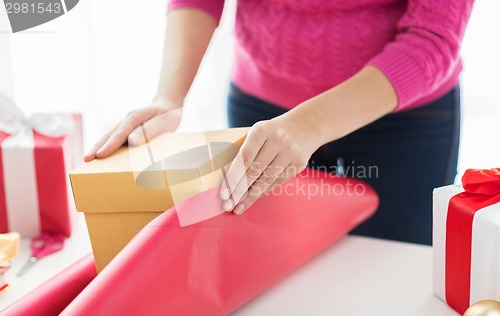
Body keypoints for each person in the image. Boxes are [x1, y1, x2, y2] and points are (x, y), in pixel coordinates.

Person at [84, 0, 474, 245]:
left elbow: (433, 37)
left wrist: (308, 125)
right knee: (267, 272)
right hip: (264, 106)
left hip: (403, 116)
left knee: (394, 268)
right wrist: (169, 96)